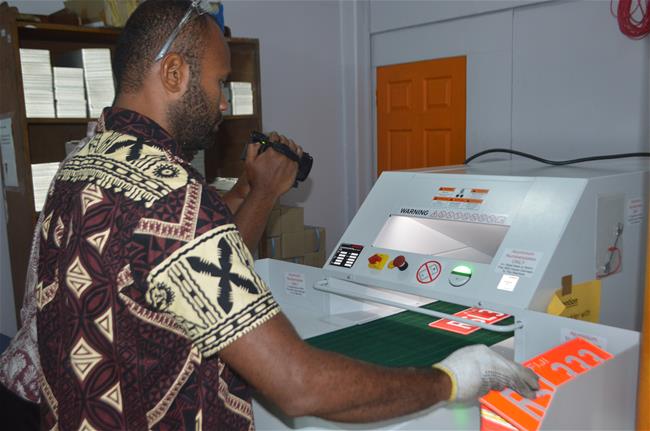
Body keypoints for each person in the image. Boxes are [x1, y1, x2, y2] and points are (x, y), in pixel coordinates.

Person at [2, 1, 539, 429]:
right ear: (171, 72)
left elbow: (172, 273)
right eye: (218, 83)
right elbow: (297, 385)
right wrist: (449, 379)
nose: (224, 105)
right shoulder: (173, 198)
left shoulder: (81, 165)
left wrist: (251, 190)